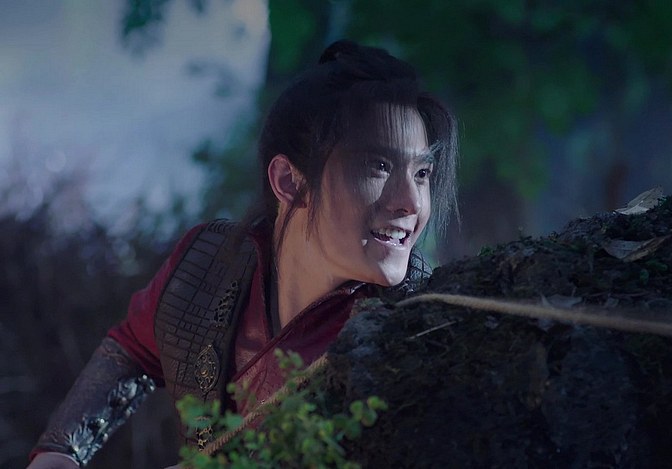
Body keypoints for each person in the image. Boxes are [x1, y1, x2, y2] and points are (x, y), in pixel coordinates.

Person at [27, 39, 459, 468]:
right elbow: (132, 348)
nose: (411, 202)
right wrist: (59, 451)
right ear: (289, 182)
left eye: (422, 173)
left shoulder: (416, 328)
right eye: (378, 166)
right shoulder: (208, 265)